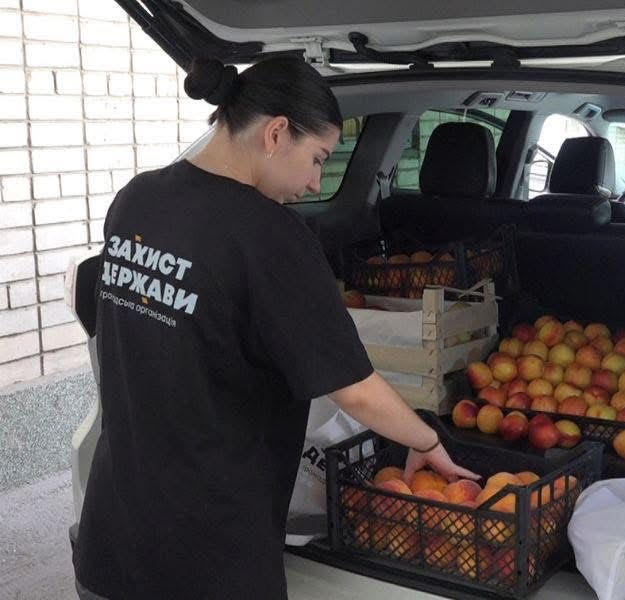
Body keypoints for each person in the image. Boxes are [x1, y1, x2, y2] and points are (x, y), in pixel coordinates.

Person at [72, 56, 479, 600]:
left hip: (110, 544)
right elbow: (354, 388)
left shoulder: (137, 197)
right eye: (317, 159)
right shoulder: (270, 237)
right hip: (207, 564)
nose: (314, 183)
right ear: (277, 133)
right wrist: (428, 440)